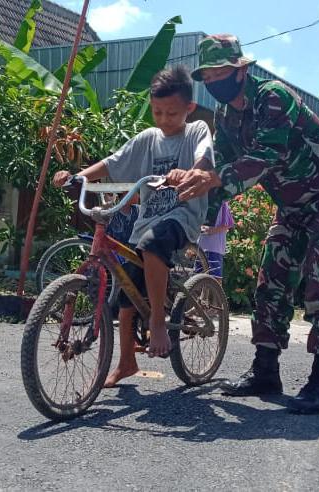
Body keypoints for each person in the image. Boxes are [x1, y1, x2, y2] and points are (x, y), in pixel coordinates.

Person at [166, 34, 319, 414]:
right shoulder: (226, 116)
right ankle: (265, 370)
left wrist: (213, 179)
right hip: (292, 204)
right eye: (208, 77)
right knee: (271, 278)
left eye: (221, 72)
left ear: (241, 71)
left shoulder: (273, 96)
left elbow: (264, 157)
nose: (214, 82)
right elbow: (219, 168)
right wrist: (193, 213)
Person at [52, 65, 212, 387]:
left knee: (153, 242)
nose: (164, 119)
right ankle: (126, 362)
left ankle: (156, 321)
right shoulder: (147, 139)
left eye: (172, 113)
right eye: (157, 112)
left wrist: (189, 173)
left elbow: (203, 157)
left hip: (181, 218)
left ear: (189, 109)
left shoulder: (196, 131)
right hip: (147, 222)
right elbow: (112, 162)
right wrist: (79, 176)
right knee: (126, 294)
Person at [197, 201, 233, 280]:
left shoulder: (222, 202)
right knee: (196, 281)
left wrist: (212, 230)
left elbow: (228, 224)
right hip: (200, 247)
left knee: (215, 281)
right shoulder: (202, 200)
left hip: (214, 249)